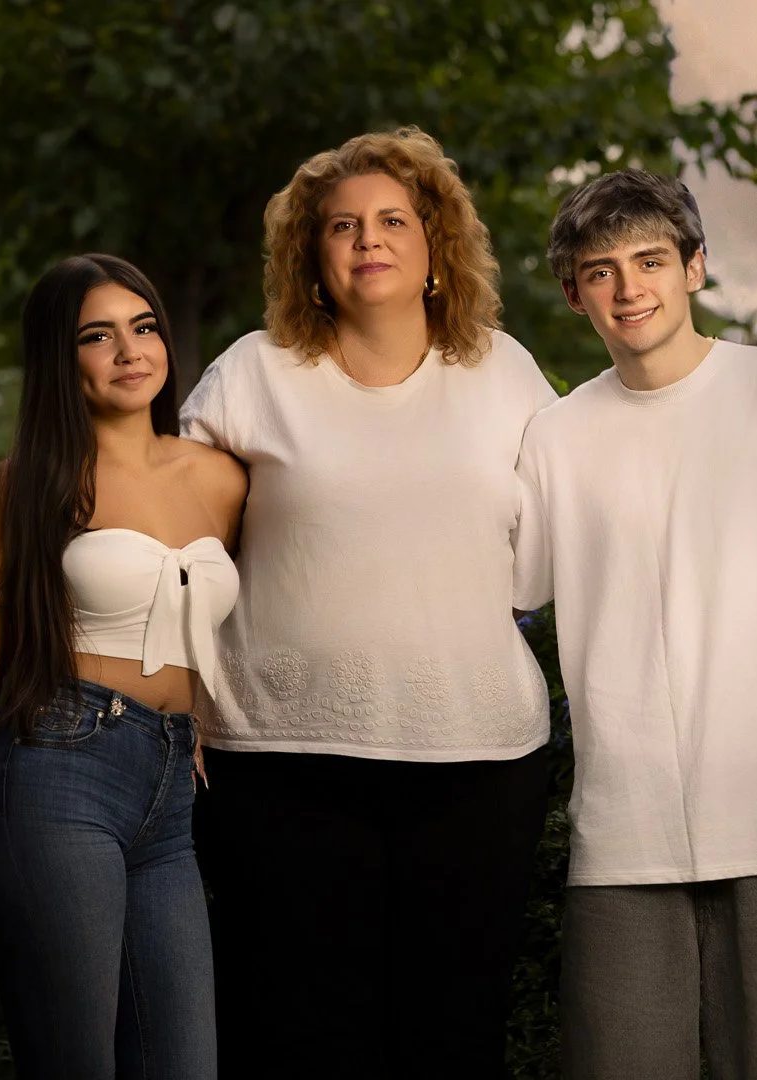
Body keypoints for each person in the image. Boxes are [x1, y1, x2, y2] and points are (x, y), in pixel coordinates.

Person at [179, 126, 557, 1079]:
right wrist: (171, 689)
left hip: (477, 763)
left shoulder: (505, 375)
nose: (367, 240)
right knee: (299, 1041)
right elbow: (172, 553)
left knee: (453, 1040)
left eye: (393, 219)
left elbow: (563, 549)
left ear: (437, 246)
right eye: (341, 226)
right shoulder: (252, 375)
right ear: (311, 255)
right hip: (278, 763)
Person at [513, 169, 757, 1080]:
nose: (628, 288)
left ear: (694, 267)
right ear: (574, 294)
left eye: (650, 260)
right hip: (621, 833)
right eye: (600, 271)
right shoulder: (555, 438)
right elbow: (505, 594)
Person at [0, 254, 247, 1079]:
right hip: (58, 771)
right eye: (99, 336)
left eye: (144, 326)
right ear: (61, 358)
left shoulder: (223, 477)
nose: (131, 351)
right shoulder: (30, 485)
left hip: (172, 790)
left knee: (184, 1064)